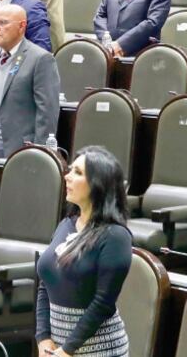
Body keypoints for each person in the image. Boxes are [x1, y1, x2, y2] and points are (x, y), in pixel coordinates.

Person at [35, 146, 132, 357]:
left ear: (98, 185)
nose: (67, 177)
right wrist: (43, 337)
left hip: (101, 351)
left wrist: (68, 349)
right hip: (59, 349)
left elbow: (103, 303)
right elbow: (45, 284)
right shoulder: (65, 225)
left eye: (77, 172)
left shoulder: (115, 236)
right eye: (70, 170)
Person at [0, 4, 61, 158]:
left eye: (3, 23)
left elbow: (47, 113)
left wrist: (38, 153)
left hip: (20, 151)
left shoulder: (40, 59)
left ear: (22, 26)